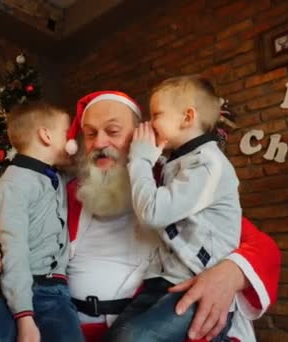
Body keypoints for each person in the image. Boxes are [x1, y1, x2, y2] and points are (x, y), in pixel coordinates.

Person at [0, 90, 281, 342]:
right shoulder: (67, 191)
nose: (100, 143)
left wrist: (231, 272)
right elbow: (8, 219)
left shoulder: (173, 188)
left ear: (141, 137)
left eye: (113, 131)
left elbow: (258, 244)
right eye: (90, 133)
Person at [106, 75, 242, 341]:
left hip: (198, 283)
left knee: (131, 339)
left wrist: (140, 160)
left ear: (187, 117)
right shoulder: (178, 161)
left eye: (156, 114)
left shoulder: (208, 164)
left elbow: (153, 213)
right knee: (116, 336)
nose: (149, 124)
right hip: (163, 281)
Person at [0, 102, 84, 342]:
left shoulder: (54, 176)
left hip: (55, 291)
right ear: (46, 135)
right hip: (19, 288)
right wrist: (24, 317)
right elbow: (14, 250)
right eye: (67, 133)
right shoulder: (14, 185)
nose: (72, 140)